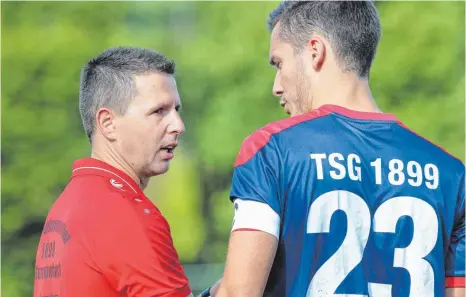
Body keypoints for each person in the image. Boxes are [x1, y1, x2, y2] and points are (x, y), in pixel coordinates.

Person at [204, 2, 465, 297]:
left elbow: (239, 293)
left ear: (315, 51)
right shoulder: (451, 172)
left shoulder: (271, 150)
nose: (276, 86)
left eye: (279, 63)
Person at [34, 47, 193, 297]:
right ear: (108, 123)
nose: (178, 125)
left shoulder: (68, 204)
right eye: (159, 111)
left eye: (177, 110)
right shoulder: (126, 213)